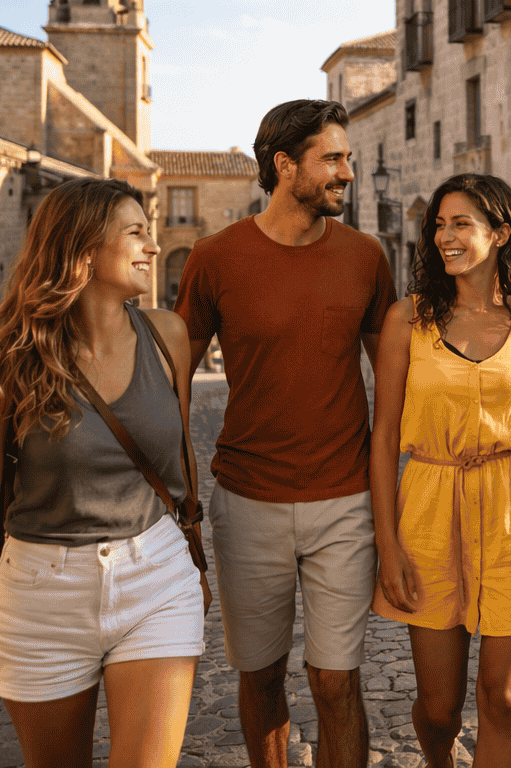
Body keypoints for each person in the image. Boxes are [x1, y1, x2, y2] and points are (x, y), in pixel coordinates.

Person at [0, 177, 204, 767]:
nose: (153, 247)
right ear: (82, 250)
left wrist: (193, 553)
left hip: (155, 577)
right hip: (39, 596)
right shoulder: (9, 353)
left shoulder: (169, 337)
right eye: (135, 233)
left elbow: (180, 464)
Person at [174, 99, 394, 768]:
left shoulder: (366, 257)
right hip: (246, 503)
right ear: (284, 165)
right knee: (261, 676)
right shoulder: (214, 259)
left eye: (347, 159)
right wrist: (182, 509)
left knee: (336, 680)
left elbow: (395, 385)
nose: (347, 173)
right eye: (333, 159)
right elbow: (173, 390)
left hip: (344, 501)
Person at [372, 173, 511, 767]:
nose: (444, 236)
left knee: (507, 699)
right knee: (439, 708)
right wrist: (388, 543)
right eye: (439, 224)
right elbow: (384, 436)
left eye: (461, 223)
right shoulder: (407, 321)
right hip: (431, 507)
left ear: (502, 233)